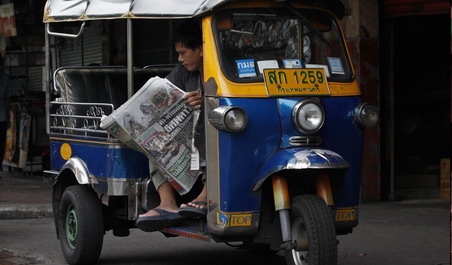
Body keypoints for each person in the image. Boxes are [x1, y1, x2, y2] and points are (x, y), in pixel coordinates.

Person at [136, 21, 207, 232]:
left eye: (183, 53)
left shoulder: (221, 71)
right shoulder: (184, 72)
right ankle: (167, 203)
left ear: (201, 49)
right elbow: (164, 91)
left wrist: (206, 101)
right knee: (154, 137)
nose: (180, 59)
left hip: (212, 139)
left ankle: (207, 194)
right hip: (188, 144)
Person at [0, 57, 11, 173]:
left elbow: (8, 100)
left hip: (2, 117)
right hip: (3, 116)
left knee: (1, 144)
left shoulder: (5, 79)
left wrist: (8, 117)